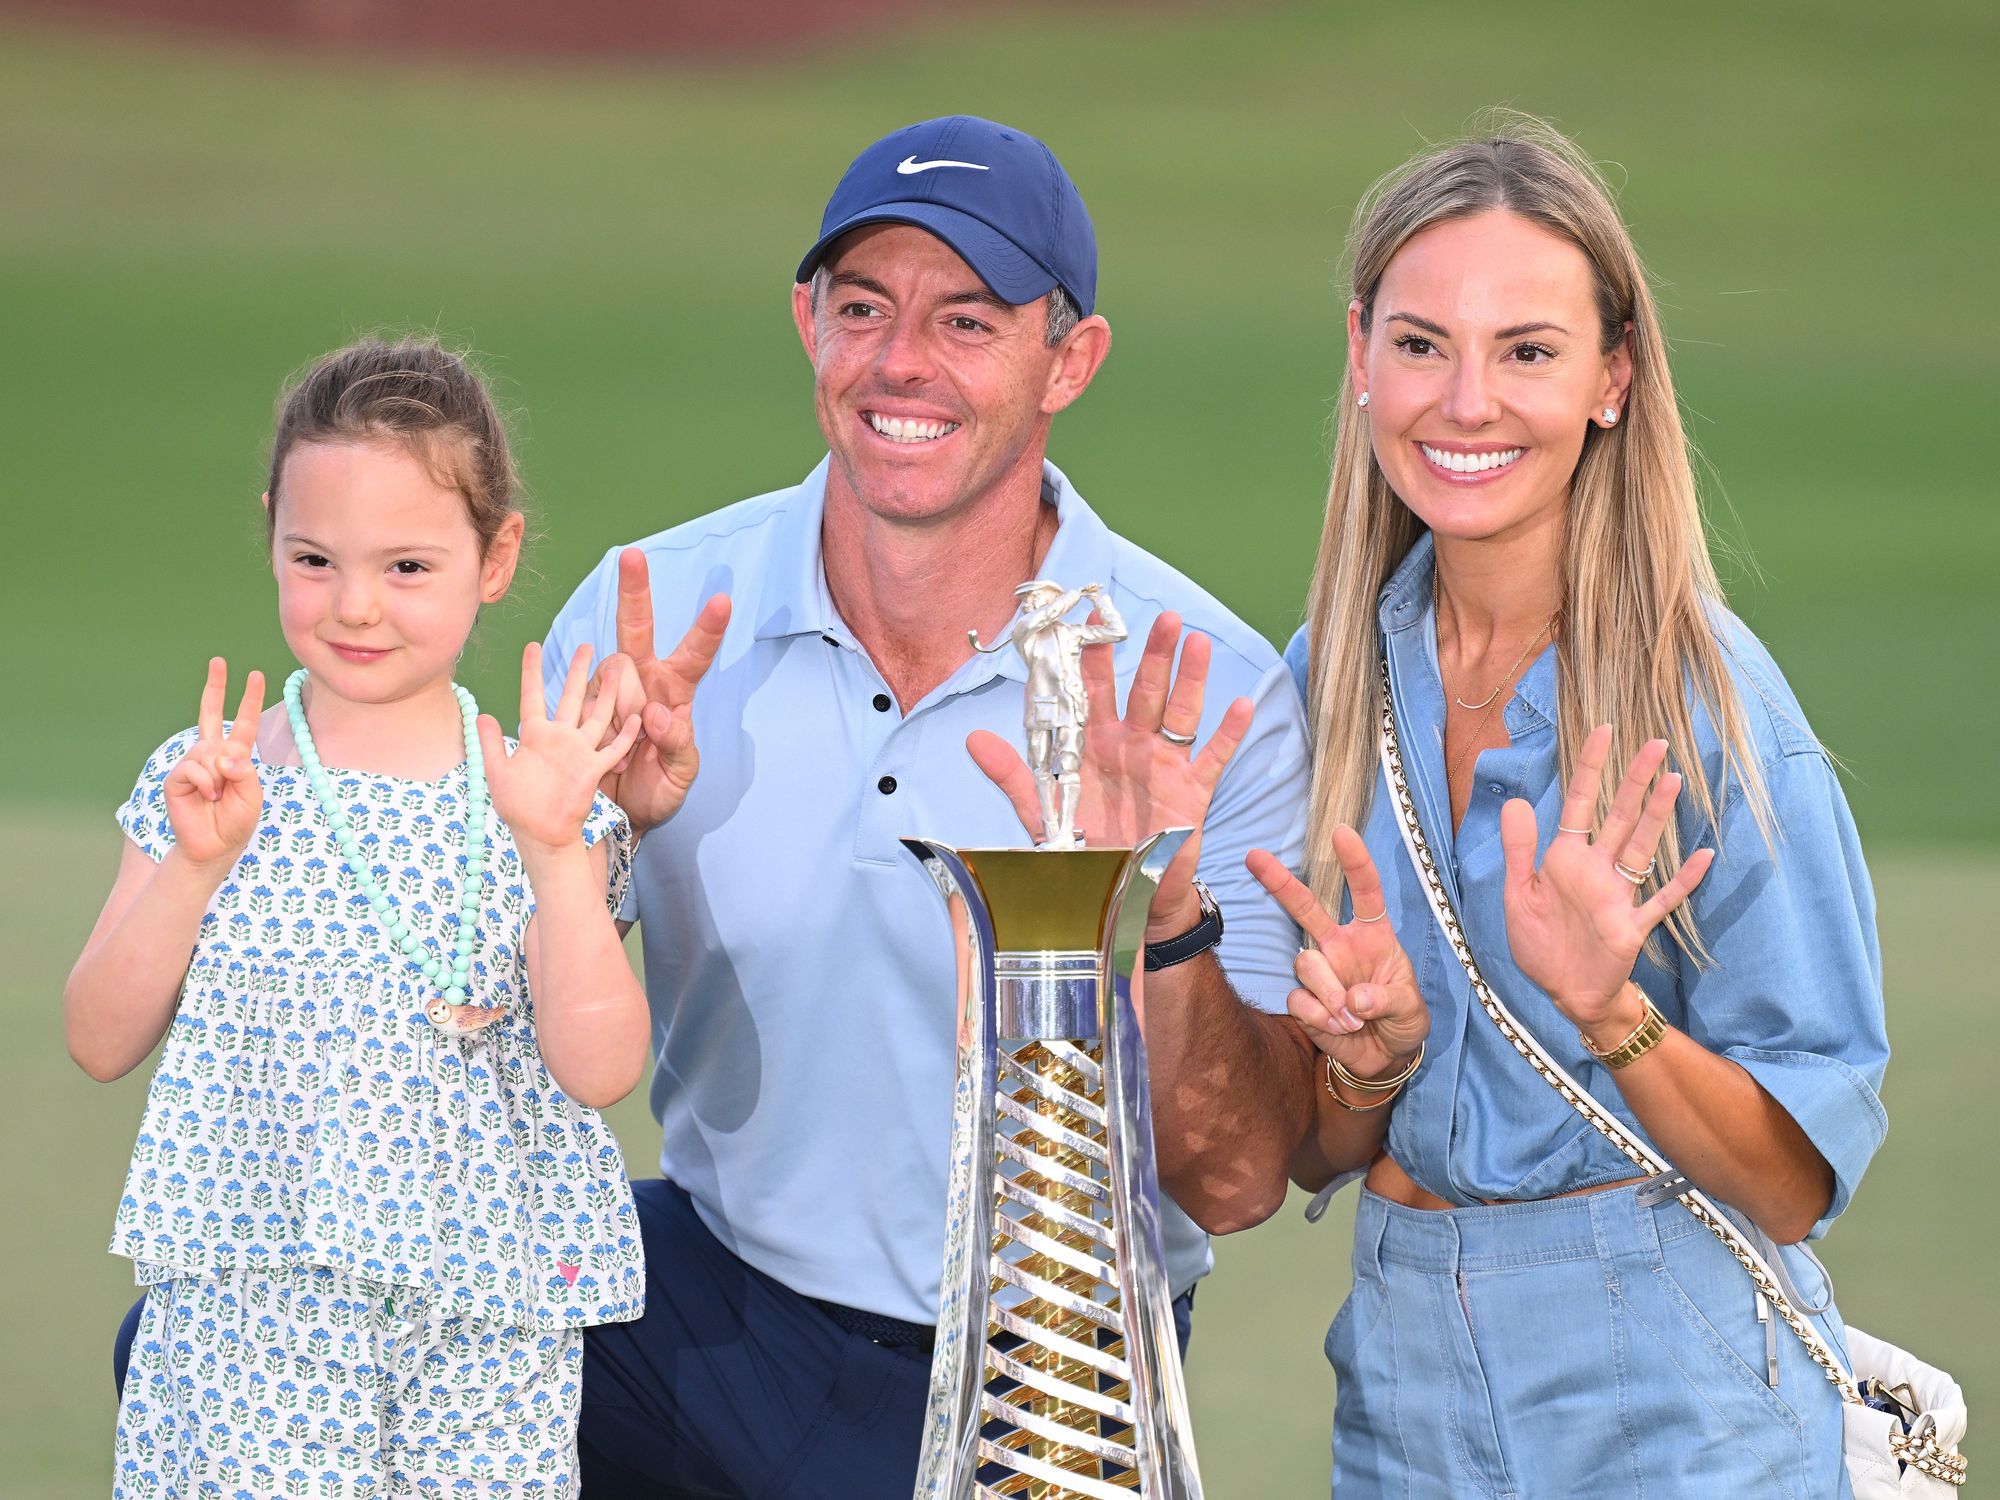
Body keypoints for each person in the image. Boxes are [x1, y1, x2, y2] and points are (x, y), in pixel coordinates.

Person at [539, 116, 1318, 1496]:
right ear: (806, 324)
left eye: (967, 319)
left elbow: (1238, 1180)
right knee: (260, 1356)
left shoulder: (1200, 689)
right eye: (863, 308)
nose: (901, 363)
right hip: (717, 1305)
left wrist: (1163, 905)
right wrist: (597, 838)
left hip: (1045, 1376)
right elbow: (502, 1038)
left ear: (1067, 359)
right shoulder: (647, 621)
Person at [1250, 117, 1891, 1496]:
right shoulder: (1325, 679)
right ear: (1361, 358)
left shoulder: (1713, 707)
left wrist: (1616, 1012)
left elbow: (1793, 1185)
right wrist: (1369, 1060)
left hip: (1672, 1387)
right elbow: (1309, 1145)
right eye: (1421, 344)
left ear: (1611, 376)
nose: (1465, 402)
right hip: (1401, 1376)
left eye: (1527, 351)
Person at [77, 338, 658, 1497]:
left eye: (405, 566)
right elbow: (98, 1037)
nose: (354, 606)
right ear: (271, 534)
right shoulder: (212, 782)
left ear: (495, 559)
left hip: (485, 1311)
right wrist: (194, 868)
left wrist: (554, 852)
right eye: (313, 558)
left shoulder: (536, 793)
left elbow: (600, 1069)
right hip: (258, 1296)